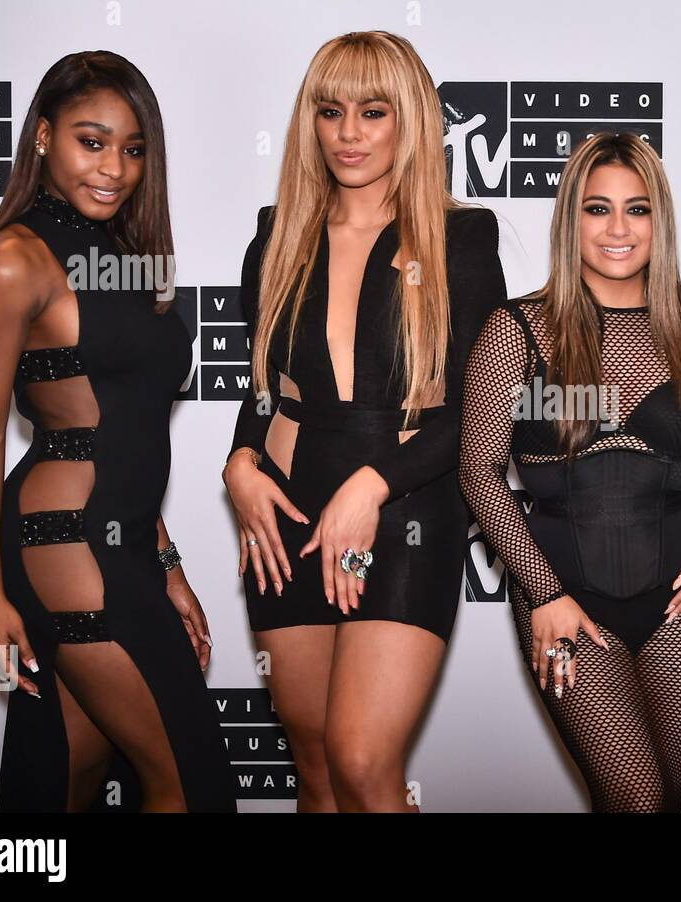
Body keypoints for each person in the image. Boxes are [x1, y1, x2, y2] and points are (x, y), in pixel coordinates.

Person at [222, 31, 506, 812]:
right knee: (315, 768)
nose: (348, 133)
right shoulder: (275, 238)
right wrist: (239, 465)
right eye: (331, 111)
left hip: (408, 509)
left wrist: (372, 487)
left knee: (360, 758)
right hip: (287, 514)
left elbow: (480, 417)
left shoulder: (461, 239)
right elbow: (267, 393)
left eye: (373, 112)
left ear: (408, 120)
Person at [0, 51, 234, 812]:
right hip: (62, 540)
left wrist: (166, 561)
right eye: (92, 141)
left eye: (134, 149)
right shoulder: (15, 261)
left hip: (123, 538)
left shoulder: (126, 258)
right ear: (43, 138)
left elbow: (130, 433)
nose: (114, 167)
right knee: (190, 783)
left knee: (69, 778)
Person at [459, 131, 681, 812]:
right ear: (570, 219)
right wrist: (544, 593)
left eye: (638, 210)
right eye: (597, 209)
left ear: (660, 222)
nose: (618, 229)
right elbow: (479, 469)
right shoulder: (517, 329)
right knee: (637, 801)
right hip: (565, 599)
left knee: (658, 805)